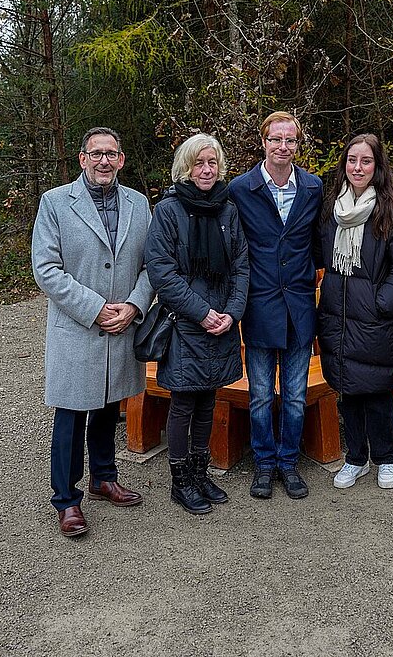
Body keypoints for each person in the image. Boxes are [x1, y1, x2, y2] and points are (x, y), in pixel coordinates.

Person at [32, 127, 154, 538]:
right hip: (78, 328)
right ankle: (66, 499)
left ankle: (104, 477)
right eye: (96, 153)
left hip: (121, 324)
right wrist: (95, 308)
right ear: (83, 159)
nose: (104, 161)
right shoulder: (55, 203)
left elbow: (152, 264)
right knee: (70, 415)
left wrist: (135, 304)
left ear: (121, 160)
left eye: (112, 154)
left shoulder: (139, 203)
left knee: (108, 405)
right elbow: (46, 269)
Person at [144, 134, 249, 515]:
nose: (207, 170)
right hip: (187, 322)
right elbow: (162, 272)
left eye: (212, 162)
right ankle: (180, 481)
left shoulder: (228, 209)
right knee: (184, 401)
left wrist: (232, 313)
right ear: (185, 168)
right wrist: (202, 313)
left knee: (208, 398)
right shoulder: (168, 210)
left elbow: (241, 264)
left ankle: (201, 472)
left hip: (221, 321)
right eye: (199, 163)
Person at [229, 112, 323, 499]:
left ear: (298, 145)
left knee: (297, 395)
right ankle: (264, 464)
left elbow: (319, 242)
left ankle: (289, 462)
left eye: (291, 141)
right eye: (276, 140)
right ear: (263, 142)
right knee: (262, 394)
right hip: (260, 304)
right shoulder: (240, 189)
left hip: (299, 306)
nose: (283, 147)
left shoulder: (313, 187)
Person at [317, 134, 393, 491]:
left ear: (378, 166)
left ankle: (387, 457)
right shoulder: (332, 207)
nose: (357, 168)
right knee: (347, 389)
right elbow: (320, 256)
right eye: (352, 161)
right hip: (337, 314)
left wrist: (382, 304)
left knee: (376, 390)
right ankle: (356, 457)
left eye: (366, 161)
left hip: (376, 317)